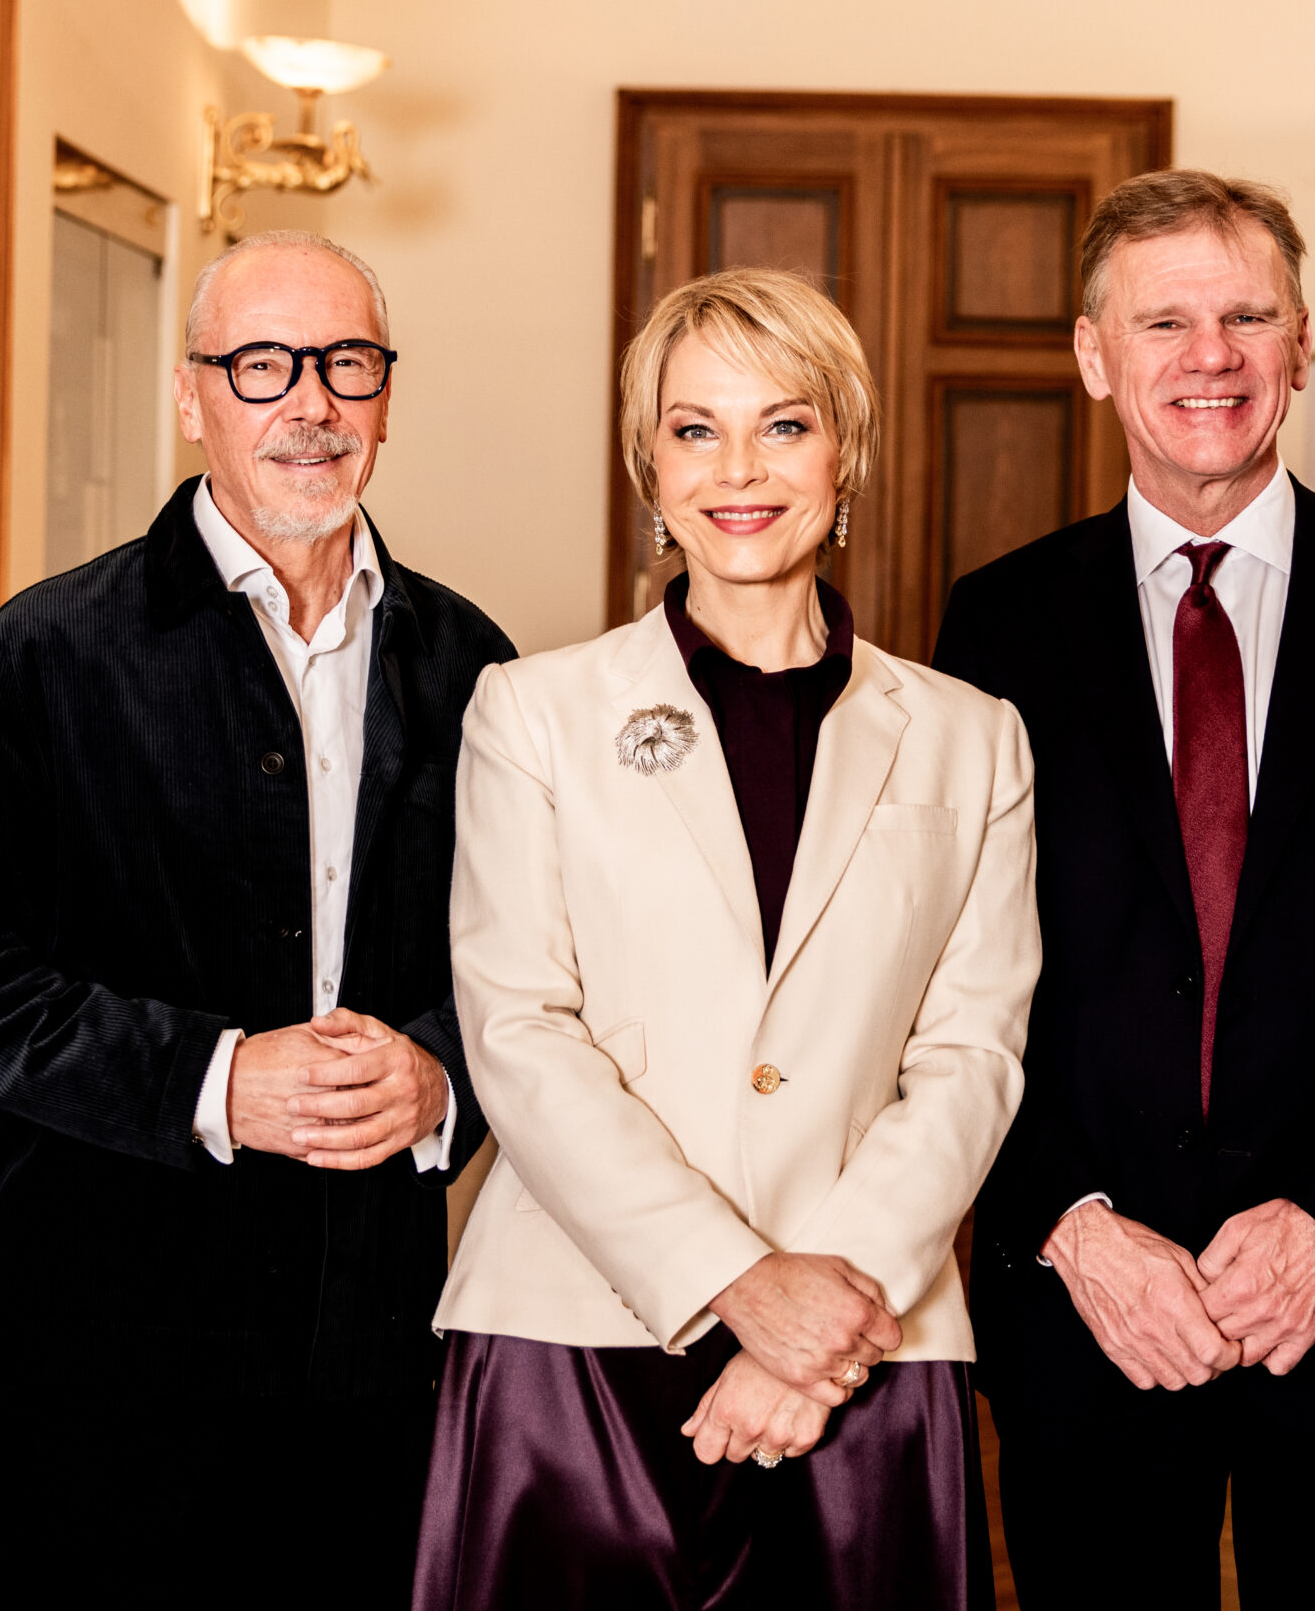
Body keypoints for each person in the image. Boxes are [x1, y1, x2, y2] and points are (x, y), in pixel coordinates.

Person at [931, 169, 1315, 1607]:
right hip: (1090, 1309)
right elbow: (944, 977)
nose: (1208, 356)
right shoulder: (999, 622)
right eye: (1163, 322)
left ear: (1301, 344)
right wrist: (1069, 1224)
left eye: (1245, 315)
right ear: (1096, 357)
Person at [0, 229, 513, 1608]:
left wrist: (441, 1073)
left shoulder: (475, 666)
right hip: (96, 1356)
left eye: (346, 364)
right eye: (261, 364)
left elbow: (528, 974)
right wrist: (216, 1077)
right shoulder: (47, 652)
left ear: (387, 397)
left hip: (371, 1352)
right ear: (192, 395)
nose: (310, 404)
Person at [415, 266, 1037, 1609]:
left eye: (786, 424)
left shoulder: (974, 738)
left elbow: (974, 1054)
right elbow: (519, 1033)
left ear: (846, 449)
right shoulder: (532, 714)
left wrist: (825, 1306)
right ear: (647, 461)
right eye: (695, 428)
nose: (738, 469)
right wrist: (738, 1282)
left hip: (868, 1341)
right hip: (574, 1335)